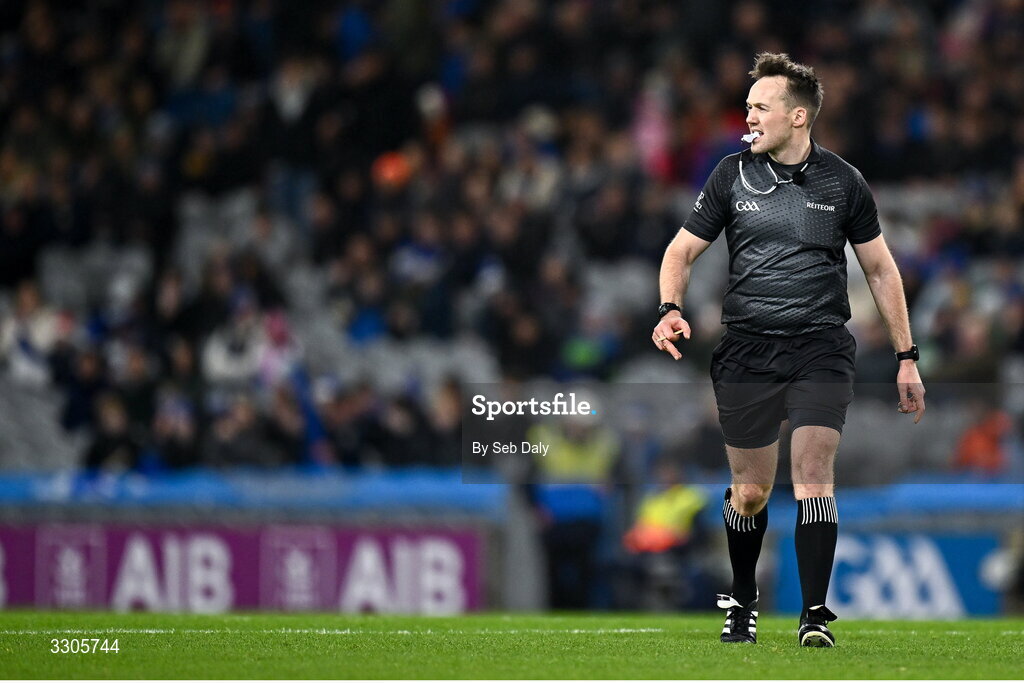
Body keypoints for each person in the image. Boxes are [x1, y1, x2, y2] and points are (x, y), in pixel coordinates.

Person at [652, 53, 926, 647]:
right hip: (747, 348)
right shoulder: (729, 175)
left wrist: (907, 356)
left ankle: (813, 615)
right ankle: (744, 598)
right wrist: (670, 309)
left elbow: (880, 269)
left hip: (821, 346)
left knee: (812, 477)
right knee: (750, 492)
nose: (747, 116)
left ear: (797, 116)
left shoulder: (844, 182)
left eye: (759, 106)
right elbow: (679, 253)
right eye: (747, 106)